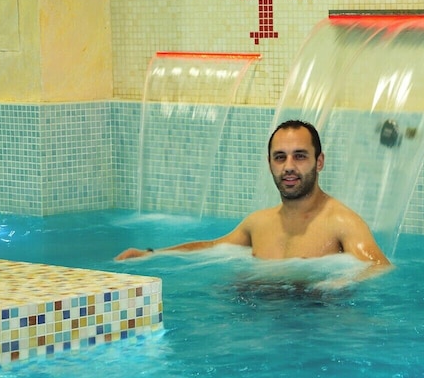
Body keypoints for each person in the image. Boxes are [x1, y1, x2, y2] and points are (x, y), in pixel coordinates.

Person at [115, 120, 391, 284]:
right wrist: (153, 253)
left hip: (317, 325)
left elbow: (379, 267)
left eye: (300, 156)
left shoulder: (341, 222)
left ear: (319, 162)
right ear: (270, 163)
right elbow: (212, 247)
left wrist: (342, 282)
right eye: (280, 157)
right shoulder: (259, 223)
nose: (289, 166)